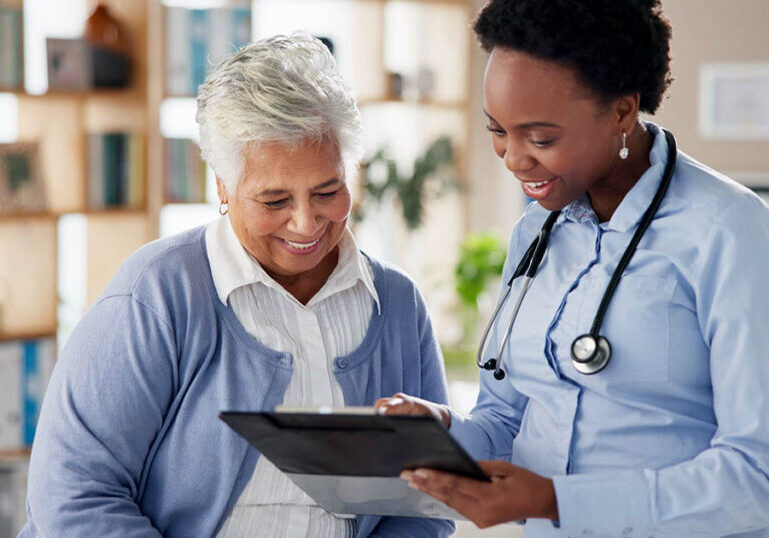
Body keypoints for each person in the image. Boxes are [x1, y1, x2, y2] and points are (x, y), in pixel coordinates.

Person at [21, 34, 454, 538]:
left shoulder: (398, 304)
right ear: (222, 188)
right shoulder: (155, 296)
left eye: (328, 191)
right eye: (274, 201)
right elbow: (72, 497)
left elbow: (426, 502)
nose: (305, 223)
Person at [377, 1, 769, 536]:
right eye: (498, 131)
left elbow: (757, 477)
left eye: (541, 138)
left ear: (623, 112)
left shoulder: (728, 229)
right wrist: (441, 432)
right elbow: (508, 423)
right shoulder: (535, 232)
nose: (514, 159)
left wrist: (561, 500)